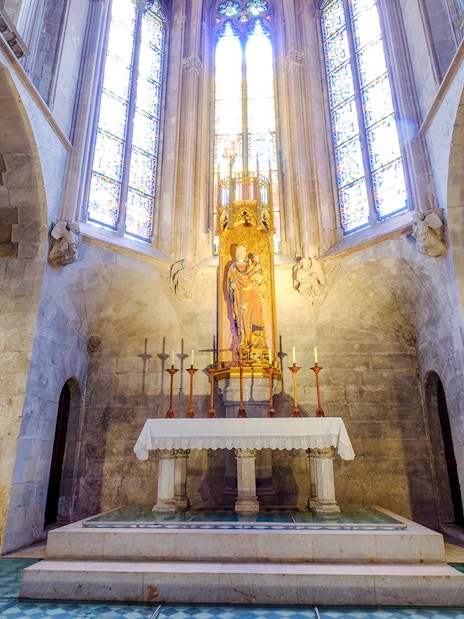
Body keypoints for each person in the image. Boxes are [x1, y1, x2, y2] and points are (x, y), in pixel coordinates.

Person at [227, 246, 266, 350]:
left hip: (252, 295)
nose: (241, 253)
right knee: (242, 317)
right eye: (239, 251)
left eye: (243, 251)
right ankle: (243, 341)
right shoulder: (233, 267)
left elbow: (258, 275)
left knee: (253, 316)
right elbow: (229, 281)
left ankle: (254, 341)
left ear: (245, 254)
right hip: (239, 296)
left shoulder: (250, 265)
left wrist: (257, 262)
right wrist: (231, 285)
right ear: (236, 254)